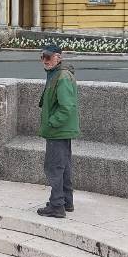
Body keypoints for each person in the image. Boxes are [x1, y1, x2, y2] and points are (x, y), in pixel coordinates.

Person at [37, 44, 79, 218]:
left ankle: (57, 206)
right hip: (62, 130)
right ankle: (66, 202)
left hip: (58, 130)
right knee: (64, 167)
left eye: (48, 57)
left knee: (54, 167)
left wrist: (52, 123)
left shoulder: (62, 76)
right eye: (42, 57)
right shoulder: (56, 74)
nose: (45, 61)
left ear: (58, 58)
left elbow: (67, 107)